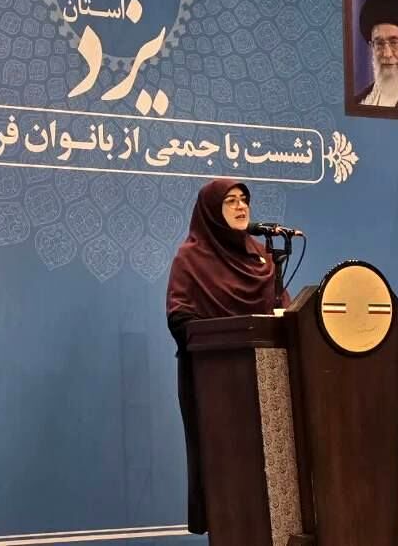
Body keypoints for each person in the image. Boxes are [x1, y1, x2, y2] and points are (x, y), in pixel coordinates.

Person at [165, 179, 285, 535]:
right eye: (230, 201)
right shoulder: (191, 258)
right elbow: (179, 318)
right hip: (217, 388)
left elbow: (285, 314)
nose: (240, 206)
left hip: (270, 386)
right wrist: (229, 336)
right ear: (211, 212)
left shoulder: (263, 256)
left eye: (244, 199)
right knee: (230, 484)